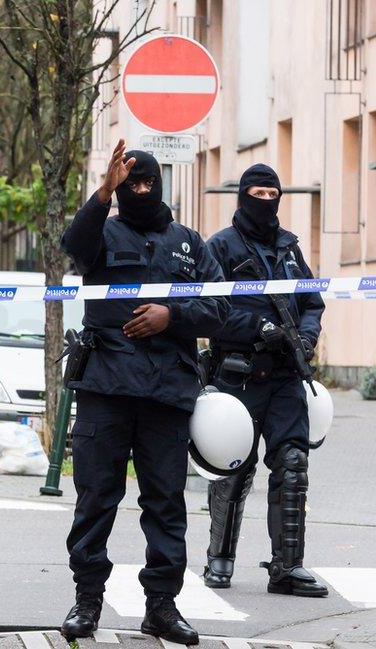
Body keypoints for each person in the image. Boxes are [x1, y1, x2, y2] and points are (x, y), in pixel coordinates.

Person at [58, 141, 229, 643]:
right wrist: (102, 193)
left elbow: (220, 310)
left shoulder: (190, 243)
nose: (140, 190)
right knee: (95, 498)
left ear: (160, 185)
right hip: (106, 388)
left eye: (147, 183)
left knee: (166, 504)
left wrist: (170, 315)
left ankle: (162, 605)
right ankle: (87, 601)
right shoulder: (103, 230)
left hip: (166, 394)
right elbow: (73, 247)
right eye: (131, 183)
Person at [202, 164, 328, 597]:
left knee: (293, 465)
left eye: (272, 191)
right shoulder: (219, 247)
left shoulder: (289, 248)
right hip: (238, 374)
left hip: (285, 377)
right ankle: (219, 558)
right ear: (243, 195)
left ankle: (287, 567)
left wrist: (307, 335)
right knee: (233, 467)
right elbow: (209, 309)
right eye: (257, 192)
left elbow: (312, 301)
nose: (265, 198)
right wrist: (257, 328)